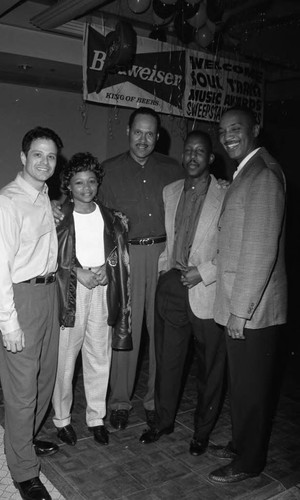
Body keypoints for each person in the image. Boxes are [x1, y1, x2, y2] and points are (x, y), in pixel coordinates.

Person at [209, 106, 287, 483]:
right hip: (243, 305)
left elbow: (259, 251)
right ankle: (243, 444)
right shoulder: (248, 171)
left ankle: (250, 461)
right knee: (242, 385)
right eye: (223, 131)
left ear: (255, 129)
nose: (228, 136)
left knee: (252, 389)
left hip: (254, 310)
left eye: (236, 129)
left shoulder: (264, 176)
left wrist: (240, 311)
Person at [139, 131, 227, 454]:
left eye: (200, 152)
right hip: (173, 287)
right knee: (168, 361)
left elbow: (232, 248)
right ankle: (163, 421)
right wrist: (166, 270)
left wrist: (202, 273)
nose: (192, 156)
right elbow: (171, 237)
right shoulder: (170, 191)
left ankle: (202, 431)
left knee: (210, 368)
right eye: (188, 150)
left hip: (207, 290)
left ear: (211, 158)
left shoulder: (226, 194)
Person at [98, 107, 184, 430]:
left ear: (158, 136)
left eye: (150, 134)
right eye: (138, 132)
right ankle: (120, 401)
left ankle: (154, 400)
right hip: (127, 257)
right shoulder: (108, 171)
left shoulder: (173, 169)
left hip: (164, 255)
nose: (143, 140)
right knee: (126, 331)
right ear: (128, 132)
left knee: (162, 332)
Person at [0, 126, 63, 500]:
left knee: (44, 378)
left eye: (51, 156)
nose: (44, 162)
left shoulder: (42, 195)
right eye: (37, 154)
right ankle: (23, 470)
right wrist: (8, 323)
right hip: (21, 299)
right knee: (22, 391)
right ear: (23, 157)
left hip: (47, 293)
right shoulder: (8, 201)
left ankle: (25, 439)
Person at [52, 152, 130, 447]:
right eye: (78, 182)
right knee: (65, 359)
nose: (86, 188)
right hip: (71, 291)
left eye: (91, 181)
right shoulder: (60, 217)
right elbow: (51, 257)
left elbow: (117, 256)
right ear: (68, 185)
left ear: (98, 182)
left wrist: (108, 271)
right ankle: (61, 419)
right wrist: (76, 271)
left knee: (99, 356)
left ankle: (96, 417)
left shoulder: (110, 217)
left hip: (102, 289)